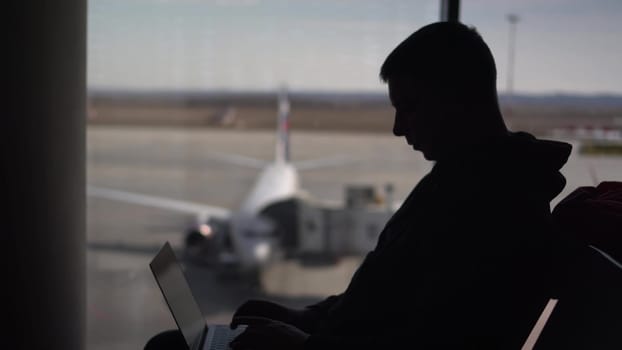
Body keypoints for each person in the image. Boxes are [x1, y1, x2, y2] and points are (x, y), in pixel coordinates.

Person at [146, 21, 572, 349]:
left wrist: (301, 344)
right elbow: (380, 303)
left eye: (409, 108)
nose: (396, 128)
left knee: (169, 346)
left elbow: (427, 340)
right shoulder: (462, 181)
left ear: (458, 100)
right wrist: (299, 317)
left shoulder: (496, 212)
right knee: (237, 320)